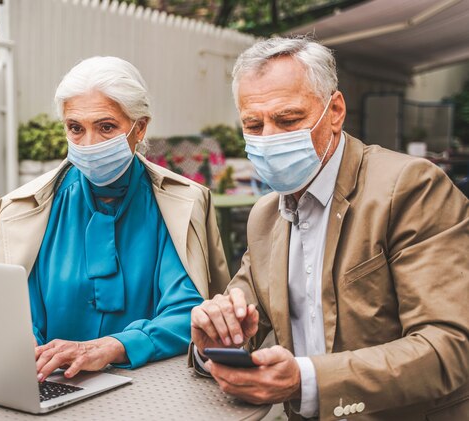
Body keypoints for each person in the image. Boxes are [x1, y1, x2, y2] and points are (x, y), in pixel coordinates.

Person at [190, 37, 469, 420]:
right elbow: (240, 317)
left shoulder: (409, 188)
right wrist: (214, 340)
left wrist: (307, 381)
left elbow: (449, 347)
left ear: (335, 110)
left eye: (288, 119)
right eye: (253, 125)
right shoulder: (266, 215)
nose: (269, 139)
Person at [0, 56, 230, 381]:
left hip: (156, 393)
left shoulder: (179, 204)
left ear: (139, 127)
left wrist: (113, 347)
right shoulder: (24, 210)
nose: (89, 144)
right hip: (53, 387)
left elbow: (189, 312)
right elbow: (11, 312)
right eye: (75, 128)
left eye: (106, 127)